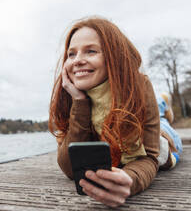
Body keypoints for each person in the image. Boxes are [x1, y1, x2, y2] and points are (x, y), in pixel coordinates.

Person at [48, 16, 182, 208]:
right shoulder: (69, 97)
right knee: (160, 114)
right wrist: (80, 102)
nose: (77, 61)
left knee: (167, 145)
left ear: (114, 56)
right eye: (71, 54)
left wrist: (131, 178)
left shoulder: (139, 85)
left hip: (162, 139)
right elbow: (70, 169)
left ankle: (161, 104)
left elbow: (150, 157)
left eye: (91, 51)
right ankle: (161, 104)